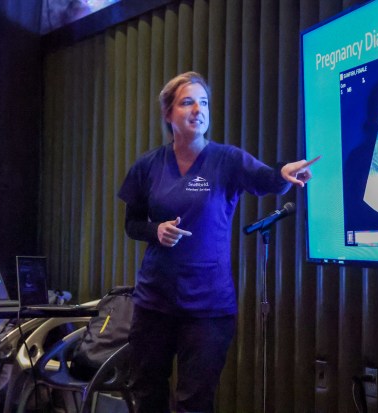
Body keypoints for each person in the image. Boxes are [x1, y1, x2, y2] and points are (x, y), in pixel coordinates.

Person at [117, 71, 319, 412]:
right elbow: (132, 224)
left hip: (208, 308)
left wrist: (283, 173)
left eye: (204, 103)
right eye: (187, 102)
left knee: (194, 403)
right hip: (155, 304)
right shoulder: (147, 166)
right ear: (168, 114)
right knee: (147, 394)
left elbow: (267, 177)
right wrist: (156, 231)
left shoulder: (227, 160)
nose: (198, 109)